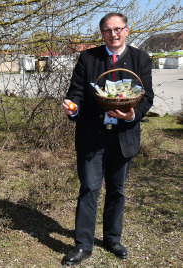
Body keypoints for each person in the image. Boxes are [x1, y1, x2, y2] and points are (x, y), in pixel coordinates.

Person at [62, 13, 153, 265]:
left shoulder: (141, 58)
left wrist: (132, 113)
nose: (113, 34)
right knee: (89, 188)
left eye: (117, 29)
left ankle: (112, 239)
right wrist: (73, 107)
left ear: (127, 30)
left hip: (124, 136)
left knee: (117, 190)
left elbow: (147, 97)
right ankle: (83, 245)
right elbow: (76, 92)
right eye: (107, 30)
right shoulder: (88, 57)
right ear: (101, 33)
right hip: (92, 135)